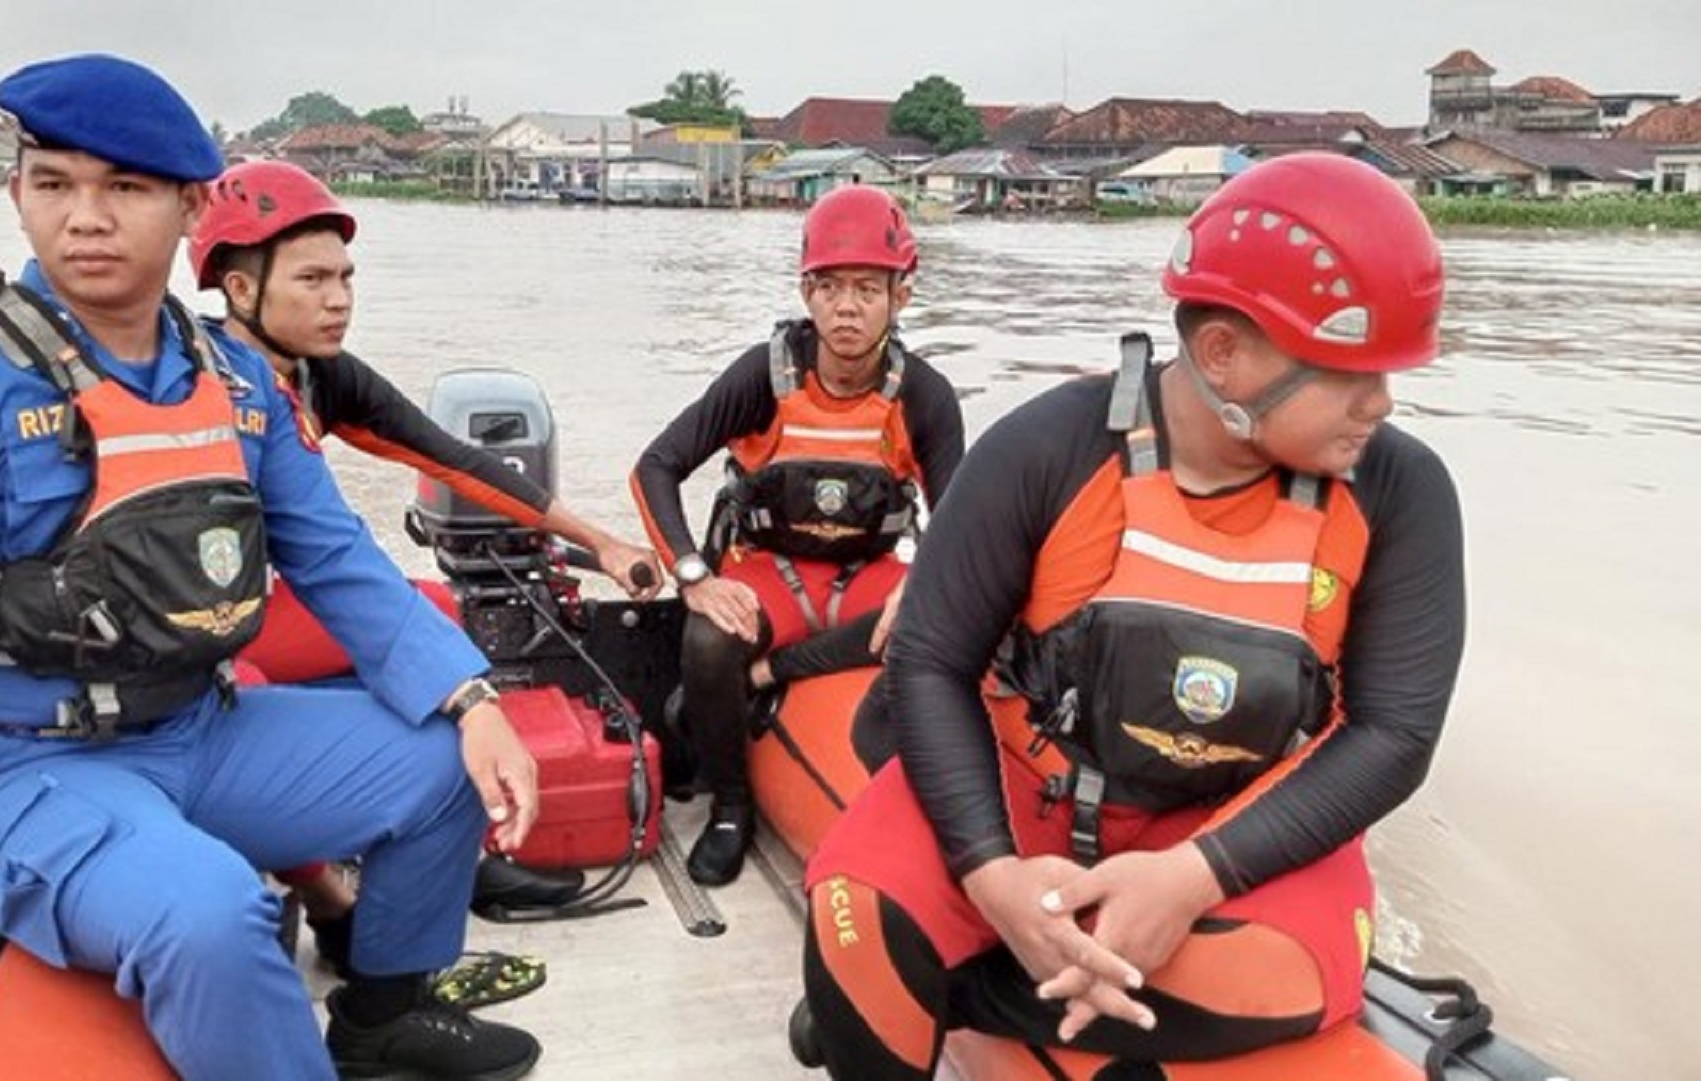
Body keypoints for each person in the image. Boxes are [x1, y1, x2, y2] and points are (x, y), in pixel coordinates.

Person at [0, 54, 542, 1081]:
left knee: (440, 766)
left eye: (126, 188)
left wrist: (470, 698)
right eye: (54, 183)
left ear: (192, 207)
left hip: (196, 727)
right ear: (17, 193)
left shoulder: (231, 379)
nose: (86, 218)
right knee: (211, 910)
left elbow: (332, 553)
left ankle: (380, 1017)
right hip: (11, 767)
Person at [799, 152, 1462, 1077]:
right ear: (1226, 353)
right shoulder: (1048, 447)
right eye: (1352, 373)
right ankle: (938, 967)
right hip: (1031, 800)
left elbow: (1395, 732)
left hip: (1238, 831)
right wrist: (991, 875)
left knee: (1275, 979)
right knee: (856, 915)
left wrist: (1194, 878)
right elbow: (930, 663)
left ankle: (955, 988)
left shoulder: (1402, 492)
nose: (1382, 404)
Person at [189, 158, 659, 973]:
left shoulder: (317, 375)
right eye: (312, 278)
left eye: (345, 277)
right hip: (204, 626)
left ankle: (460, 856)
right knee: (255, 695)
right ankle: (335, 900)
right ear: (238, 288)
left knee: (440, 622)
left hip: (276, 602)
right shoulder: (182, 378)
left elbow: (462, 463)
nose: (339, 298)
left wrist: (604, 544)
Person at [630, 185, 965, 886]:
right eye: (832, 287)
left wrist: (930, 586)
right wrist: (695, 575)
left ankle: (772, 677)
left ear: (901, 295)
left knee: (957, 623)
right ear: (806, 290)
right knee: (706, 639)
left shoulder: (923, 396)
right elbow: (656, 466)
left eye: (869, 288)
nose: (848, 307)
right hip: (769, 576)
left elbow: (960, 521)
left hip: (866, 580)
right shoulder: (764, 374)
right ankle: (730, 805)